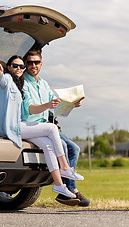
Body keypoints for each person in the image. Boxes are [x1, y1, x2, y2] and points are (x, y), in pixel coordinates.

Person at [0, 55, 83, 199]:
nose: (19, 68)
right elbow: (3, 82)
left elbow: (53, 104)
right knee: (52, 129)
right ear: (9, 67)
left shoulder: (22, 83)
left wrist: (72, 103)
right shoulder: (9, 80)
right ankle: (65, 168)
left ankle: (59, 185)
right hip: (14, 127)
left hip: (28, 126)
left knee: (48, 146)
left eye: (21, 66)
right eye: (15, 66)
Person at [22, 49, 90, 207]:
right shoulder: (23, 83)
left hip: (47, 125)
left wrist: (73, 104)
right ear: (25, 64)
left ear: (41, 64)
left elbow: (56, 107)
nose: (33, 65)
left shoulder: (44, 84)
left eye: (36, 62)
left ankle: (67, 188)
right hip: (32, 125)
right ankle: (69, 190)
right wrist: (46, 105)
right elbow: (29, 109)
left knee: (75, 148)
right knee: (64, 146)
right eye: (30, 62)